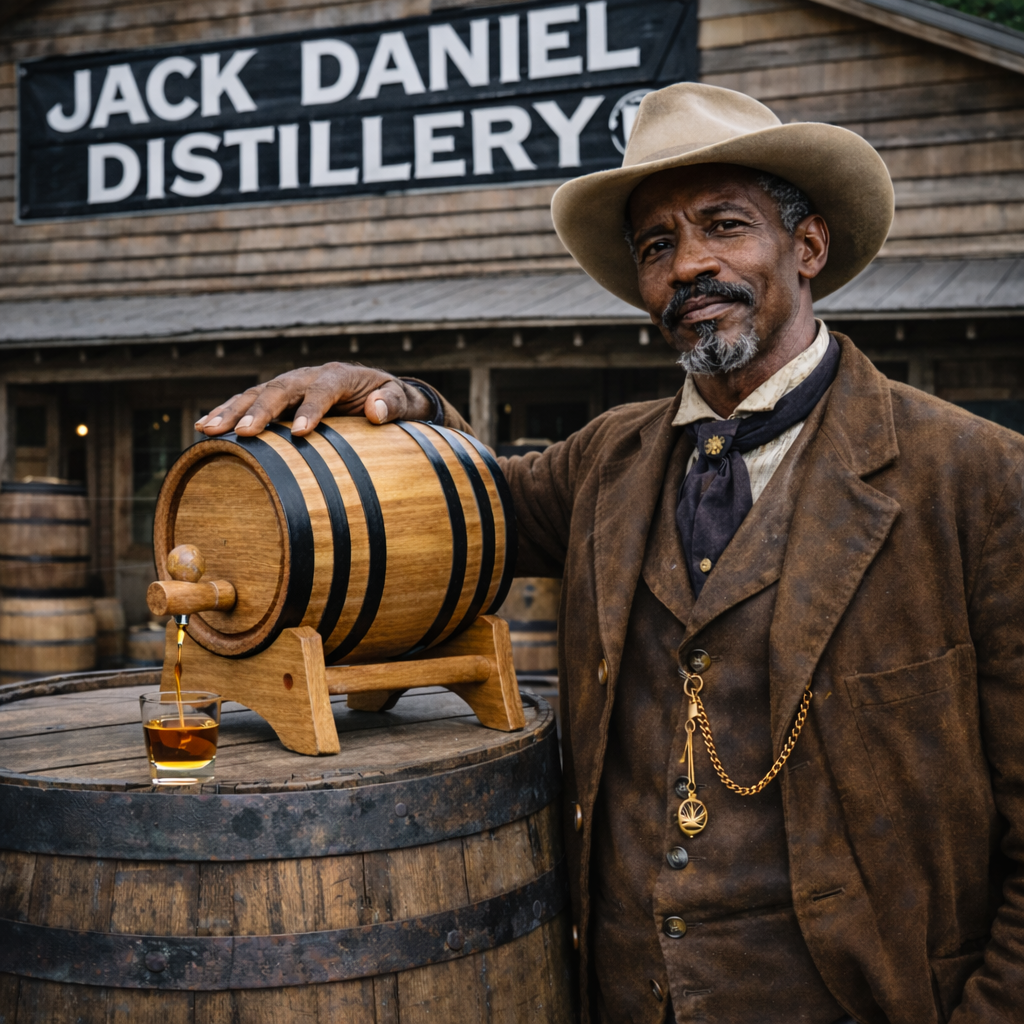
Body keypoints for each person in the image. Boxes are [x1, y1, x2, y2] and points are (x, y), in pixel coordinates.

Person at [195, 84, 1024, 1024]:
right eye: (657, 246)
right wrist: (398, 398)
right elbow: (460, 508)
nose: (690, 267)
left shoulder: (978, 478)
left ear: (809, 246)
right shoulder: (606, 461)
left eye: (724, 226)